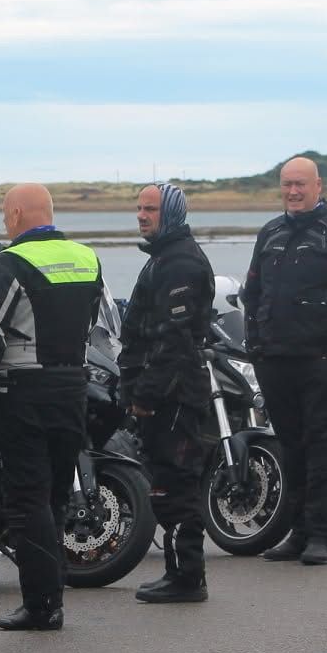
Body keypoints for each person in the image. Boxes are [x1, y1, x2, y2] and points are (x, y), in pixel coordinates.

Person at [0, 184, 104, 630]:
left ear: (17, 213)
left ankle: (41, 606)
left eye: (6, 215)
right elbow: (96, 322)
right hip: (72, 390)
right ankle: (53, 594)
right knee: (56, 496)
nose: (6, 223)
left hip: (22, 394)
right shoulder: (88, 259)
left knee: (28, 500)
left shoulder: (10, 264)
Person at [240, 156, 327, 566]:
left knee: (322, 448)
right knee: (291, 449)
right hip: (274, 360)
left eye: (301, 184)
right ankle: (297, 533)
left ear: (318, 185)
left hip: (323, 363)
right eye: (287, 184)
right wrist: (256, 344)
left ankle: (323, 535)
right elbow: (252, 295)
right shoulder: (270, 233)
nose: (293, 191)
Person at [118, 183, 215, 603]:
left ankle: (187, 577)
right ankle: (180, 571)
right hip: (165, 389)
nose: (142, 215)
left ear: (171, 214)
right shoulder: (163, 257)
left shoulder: (180, 263)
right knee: (165, 481)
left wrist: (146, 395)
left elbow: (173, 341)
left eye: (151, 209)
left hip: (174, 394)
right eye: (139, 208)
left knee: (175, 482)